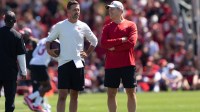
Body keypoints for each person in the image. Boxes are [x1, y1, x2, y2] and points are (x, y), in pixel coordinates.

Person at [46, 1, 98, 112]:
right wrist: (49, 50)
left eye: (78, 9)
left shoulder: (83, 26)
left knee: (75, 95)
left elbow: (94, 40)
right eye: (74, 9)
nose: (77, 12)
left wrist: (87, 53)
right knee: (62, 95)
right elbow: (49, 40)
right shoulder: (60, 26)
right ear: (68, 11)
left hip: (78, 63)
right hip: (64, 63)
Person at [101, 1, 138, 112]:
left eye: (113, 8)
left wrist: (114, 48)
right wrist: (121, 40)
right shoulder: (107, 27)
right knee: (111, 93)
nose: (110, 11)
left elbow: (131, 43)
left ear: (121, 10)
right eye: (109, 9)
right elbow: (104, 43)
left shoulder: (131, 25)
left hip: (127, 63)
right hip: (111, 64)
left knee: (131, 92)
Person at [0, 11, 27, 112]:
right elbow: (21, 55)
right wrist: (24, 72)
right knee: (10, 100)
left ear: (4, 20)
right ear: (15, 21)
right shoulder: (17, 36)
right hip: (10, 72)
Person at [24, 37, 52, 111]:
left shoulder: (42, 40)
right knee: (48, 87)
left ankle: (36, 104)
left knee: (43, 86)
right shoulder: (55, 41)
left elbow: (34, 53)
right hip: (41, 64)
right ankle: (29, 97)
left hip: (34, 62)